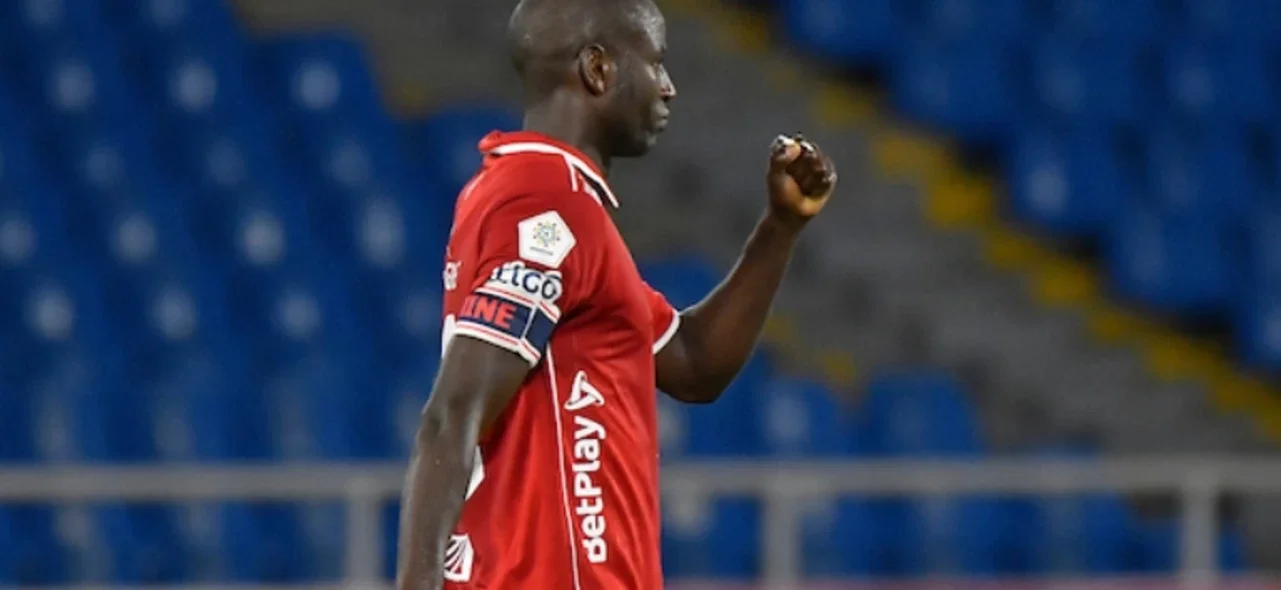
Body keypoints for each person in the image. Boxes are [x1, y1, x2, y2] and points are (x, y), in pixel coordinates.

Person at [395, 0, 837, 588]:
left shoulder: (557, 202)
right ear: (598, 69)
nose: (669, 88)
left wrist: (780, 227)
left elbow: (695, 364)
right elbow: (452, 414)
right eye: (655, 63)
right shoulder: (544, 202)